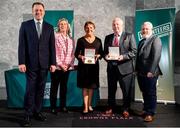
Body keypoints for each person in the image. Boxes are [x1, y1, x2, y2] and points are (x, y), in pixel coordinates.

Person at [18, 2, 56, 126]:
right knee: (30, 89)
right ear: (32, 11)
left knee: (40, 89)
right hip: (30, 64)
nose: (38, 12)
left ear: (44, 12)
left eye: (40, 10)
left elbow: (52, 47)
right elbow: (22, 46)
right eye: (36, 10)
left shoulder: (49, 27)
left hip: (44, 65)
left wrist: (53, 63)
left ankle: (37, 112)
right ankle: (27, 115)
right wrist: (21, 62)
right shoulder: (25, 25)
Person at [104, 17, 137, 118]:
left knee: (126, 91)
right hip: (111, 69)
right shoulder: (108, 37)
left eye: (118, 24)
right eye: (114, 24)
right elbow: (105, 52)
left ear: (122, 25)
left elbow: (134, 51)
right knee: (111, 90)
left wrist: (123, 57)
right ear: (112, 26)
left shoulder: (129, 36)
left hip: (125, 69)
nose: (116, 26)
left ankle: (126, 108)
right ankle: (110, 107)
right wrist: (106, 57)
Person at [75, 21, 104, 114]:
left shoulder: (99, 40)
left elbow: (102, 53)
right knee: (85, 87)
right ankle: (86, 107)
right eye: (87, 27)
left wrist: (98, 55)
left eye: (91, 27)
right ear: (84, 29)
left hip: (94, 68)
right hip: (83, 67)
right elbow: (76, 54)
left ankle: (89, 104)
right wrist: (81, 57)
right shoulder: (80, 40)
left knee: (91, 87)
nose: (89, 29)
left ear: (94, 29)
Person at [136, 21, 162, 122]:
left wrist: (151, 71)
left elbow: (156, 56)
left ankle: (150, 113)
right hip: (141, 72)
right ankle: (145, 109)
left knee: (151, 93)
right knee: (144, 92)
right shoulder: (141, 41)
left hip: (151, 72)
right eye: (143, 29)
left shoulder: (156, 39)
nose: (145, 30)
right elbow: (139, 58)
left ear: (151, 30)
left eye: (147, 29)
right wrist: (136, 70)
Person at [50, 18, 75, 115]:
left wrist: (68, 65)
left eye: (65, 24)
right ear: (58, 26)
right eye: (61, 24)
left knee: (64, 88)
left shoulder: (71, 39)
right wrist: (60, 64)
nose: (63, 26)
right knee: (54, 87)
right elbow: (53, 52)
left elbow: (72, 54)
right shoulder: (55, 37)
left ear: (68, 26)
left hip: (67, 68)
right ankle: (53, 107)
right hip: (57, 67)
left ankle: (63, 106)